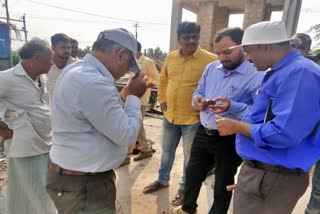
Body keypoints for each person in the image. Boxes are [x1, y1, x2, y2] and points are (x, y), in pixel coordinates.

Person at [216, 21, 320, 214]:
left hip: (272, 176)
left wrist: (237, 127)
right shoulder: (282, 72)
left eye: (249, 51)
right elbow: (264, 116)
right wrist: (233, 107)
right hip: (265, 174)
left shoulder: (300, 73)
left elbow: (284, 133)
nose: (247, 58)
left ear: (266, 47)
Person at [46, 28, 147, 214]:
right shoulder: (93, 81)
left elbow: (100, 116)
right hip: (84, 184)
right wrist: (134, 96)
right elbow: (127, 135)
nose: (126, 71)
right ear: (120, 54)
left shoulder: (77, 70)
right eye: (128, 65)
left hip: (80, 178)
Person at [165, 27, 264, 214]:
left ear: (243, 47)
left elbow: (259, 115)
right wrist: (198, 101)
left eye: (228, 52)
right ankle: (187, 209)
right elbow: (199, 91)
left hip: (230, 138)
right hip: (204, 132)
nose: (222, 58)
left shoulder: (256, 74)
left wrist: (232, 106)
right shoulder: (212, 68)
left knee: (222, 186)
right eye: (218, 53)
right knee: (192, 175)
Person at [143, 21, 218, 206]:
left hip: (193, 118)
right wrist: (161, 100)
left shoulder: (210, 60)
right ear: (179, 39)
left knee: (190, 157)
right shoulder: (171, 57)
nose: (191, 40)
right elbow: (163, 80)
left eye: (194, 36)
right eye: (186, 37)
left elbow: (215, 86)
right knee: (167, 151)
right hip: (170, 115)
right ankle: (162, 180)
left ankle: (184, 188)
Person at [0, 38, 55, 214]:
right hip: (24, 148)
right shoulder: (8, 78)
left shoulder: (42, 78)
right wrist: (1, 127)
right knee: (25, 194)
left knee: (44, 193)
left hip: (46, 146)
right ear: (37, 57)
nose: (52, 62)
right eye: (49, 58)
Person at [122, 41, 159, 164]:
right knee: (138, 125)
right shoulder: (132, 63)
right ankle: (146, 149)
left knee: (134, 125)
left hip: (141, 99)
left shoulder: (147, 62)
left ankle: (127, 156)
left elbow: (158, 79)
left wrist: (145, 85)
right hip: (130, 98)